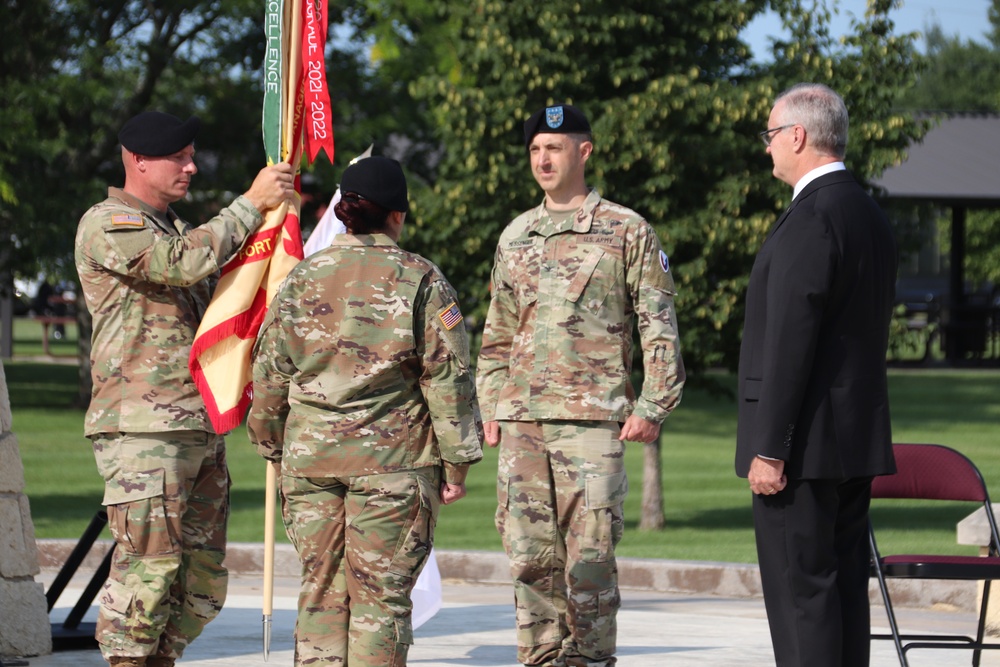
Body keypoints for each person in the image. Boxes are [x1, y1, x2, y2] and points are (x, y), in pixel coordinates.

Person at [74, 110, 296, 667]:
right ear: (139, 160)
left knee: (202, 579)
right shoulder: (108, 223)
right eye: (180, 157)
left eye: (191, 155)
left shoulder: (174, 226)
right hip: (144, 429)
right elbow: (181, 264)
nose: (191, 167)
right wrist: (251, 203)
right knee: (147, 571)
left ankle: (159, 660)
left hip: (196, 423)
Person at [248, 155, 484, 667]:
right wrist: (458, 463)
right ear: (397, 215)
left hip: (311, 464)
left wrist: (270, 443)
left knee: (320, 596)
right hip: (392, 466)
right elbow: (447, 377)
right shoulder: (420, 278)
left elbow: (269, 373)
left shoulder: (301, 277)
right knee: (380, 601)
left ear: (341, 210)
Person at [476, 103, 685, 667]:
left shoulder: (626, 229)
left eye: (555, 147)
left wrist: (653, 403)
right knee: (528, 557)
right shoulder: (517, 234)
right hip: (521, 421)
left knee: (589, 562)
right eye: (535, 149)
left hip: (591, 421)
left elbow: (657, 322)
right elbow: (497, 329)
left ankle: (591, 661)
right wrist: (490, 402)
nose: (542, 159)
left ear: (584, 152)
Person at [735, 83, 898, 667]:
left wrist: (771, 447)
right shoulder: (867, 212)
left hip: (800, 449)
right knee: (841, 590)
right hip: (850, 440)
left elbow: (791, 342)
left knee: (801, 596)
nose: (768, 149)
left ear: (798, 136)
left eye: (771, 135)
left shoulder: (814, 216)